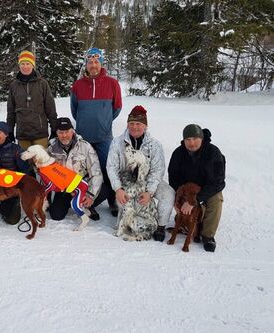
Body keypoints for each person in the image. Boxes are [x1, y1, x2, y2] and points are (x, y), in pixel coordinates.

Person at [107, 106, 175, 238]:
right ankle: (126, 222)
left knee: (168, 194)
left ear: (145, 126)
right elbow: (111, 167)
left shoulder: (155, 145)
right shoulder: (117, 143)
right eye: (131, 123)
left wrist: (149, 191)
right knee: (126, 201)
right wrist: (118, 188)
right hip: (126, 181)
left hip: (147, 180)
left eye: (138, 124)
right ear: (127, 125)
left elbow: (157, 170)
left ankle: (160, 226)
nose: (135, 127)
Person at [70, 47, 122, 217]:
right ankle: (85, 199)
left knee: (108, 169)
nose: (93, 65)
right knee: (85, 170)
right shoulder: (77, 85)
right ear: (86, 65)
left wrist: (104, 121)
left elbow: (117, 108)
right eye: (90, 62)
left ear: (101, 63)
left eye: (96, 62)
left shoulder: (112, 83)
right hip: (83, 137)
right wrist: (85, 122)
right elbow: (74, 109)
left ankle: (111, 199)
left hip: (104, 137)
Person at [168, 124, 225, 252]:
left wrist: (196, 199)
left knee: (216, 199)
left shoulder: (213, 153)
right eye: (188, 139)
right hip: (186, 190)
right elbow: (173, 177)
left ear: (202, 138)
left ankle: (207, 235)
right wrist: (179, 197)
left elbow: (218, 181)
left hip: (207, 189)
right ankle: (184, 225)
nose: (191, 143)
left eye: (195, 139)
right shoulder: (178, 153)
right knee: (171, 194)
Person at [46, 117, 103, 220]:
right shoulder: (51, 149)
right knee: (56, 215)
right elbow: (47, 173)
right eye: (60, 132)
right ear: (56, 133)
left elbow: (96, 172)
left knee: (105, 189)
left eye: (67, 131)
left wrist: (90, 195)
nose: (64, 135)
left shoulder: (85, 146)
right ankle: (74, 203)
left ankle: (88, 204)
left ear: (72, 131)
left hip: (84, 186)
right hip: (64, 188)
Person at [6, 50, 58, 150]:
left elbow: (50, 108)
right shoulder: (14, 86)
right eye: (22, 64)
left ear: (32, 65)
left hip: (40, 133)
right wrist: (10, 130)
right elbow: (11, 111)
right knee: (25, 163)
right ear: (19, 65)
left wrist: (54, 128)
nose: (25, 67)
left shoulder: (42, 83)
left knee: (41, 163)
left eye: (28, 63)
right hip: (22, 134)